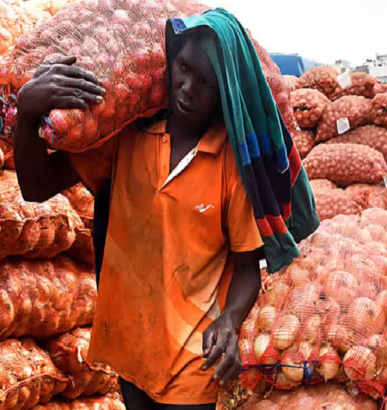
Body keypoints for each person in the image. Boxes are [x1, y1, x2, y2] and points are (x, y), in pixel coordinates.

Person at [13, 8, 318, 410]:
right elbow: (36, 188)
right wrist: (28, 112)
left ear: (224, 90)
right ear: (169, 63)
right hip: (129, 347)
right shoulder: (126, 138)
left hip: (193, 360)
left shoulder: (230, 161)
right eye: (184, 68)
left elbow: (246, 267)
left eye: (206, 82)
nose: (188, 88)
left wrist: (230, 319)